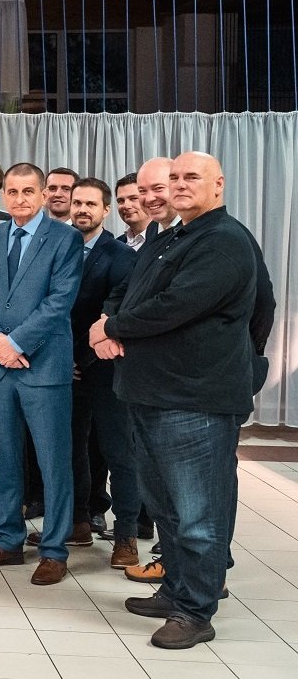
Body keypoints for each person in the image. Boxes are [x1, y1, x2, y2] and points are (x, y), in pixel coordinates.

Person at [92, 152, 273, 649]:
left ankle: (196, 611)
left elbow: (177, 306)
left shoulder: (225, 240)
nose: (179, 185)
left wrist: (112, 328)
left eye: (191, 177)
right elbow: (131, 291)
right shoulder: (171, 236)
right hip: (151, 393)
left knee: (198, 516)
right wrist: (110, 321)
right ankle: (175, 590)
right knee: (166, 508)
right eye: (174, 177)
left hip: (195, 400)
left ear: (218, 184)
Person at [0, 163, 84, 586]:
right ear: (3, 195)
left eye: (28, 191)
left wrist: (16, 343)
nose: (19, 199)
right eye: (12, 192)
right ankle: (7, 539)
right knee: (3, 456)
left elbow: (60, 301)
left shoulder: (65, 238)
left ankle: (54, 550)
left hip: (43, 366)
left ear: (43, 195)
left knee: (53, 462)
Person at [65, 177, 139, 566]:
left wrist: (81, 358)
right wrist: (63, 359)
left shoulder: (121, 255)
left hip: (106, 369)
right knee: (72, 448)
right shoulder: (59, 248)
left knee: (119, 452)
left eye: (91, 204)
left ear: (105, 210)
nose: (82, 209)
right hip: (65, 370)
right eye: (77, 202)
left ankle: (126, 536)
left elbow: (114, 312)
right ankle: (78, 521)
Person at [114, 173, 151, 248]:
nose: (126, 206)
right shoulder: (116, 245)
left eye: (133, 198)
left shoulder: (167, 240)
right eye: (121, 201)